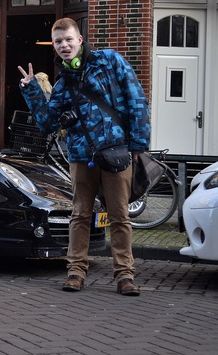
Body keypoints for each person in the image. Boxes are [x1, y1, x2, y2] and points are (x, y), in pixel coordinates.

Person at [18, 18, 150, 296]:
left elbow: (136, 98)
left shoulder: (110, 61)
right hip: (80, 155)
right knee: (79, 215)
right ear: (54, 46)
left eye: (68, 39)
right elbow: (48, 124)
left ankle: (125, 276)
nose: (64, 45)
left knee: (119, 216)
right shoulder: (63, 82)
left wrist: (138, 143)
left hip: (115, 151)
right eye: (58, 42)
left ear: (80, 39)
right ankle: (75, 272)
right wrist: (31, 90)